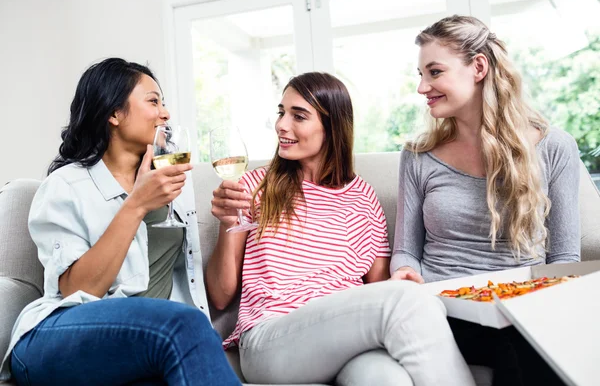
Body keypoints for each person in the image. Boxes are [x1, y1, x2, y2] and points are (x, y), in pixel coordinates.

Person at [208, 72, 476, 386]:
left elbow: (377, 287)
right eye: (282, 112)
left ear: (332, 126)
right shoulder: (254, 187)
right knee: (407, 302)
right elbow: (221, 295)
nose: (282, 125)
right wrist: (229, 223)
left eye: (299, 116)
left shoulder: (364, 197)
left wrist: (397, 279)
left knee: (387, 379)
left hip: (347, 339)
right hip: (272, 338)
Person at [0, 58, 241, 386]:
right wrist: (136, 205)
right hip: (57, 335)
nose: (166, 113)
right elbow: (77, 290)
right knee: (184, 324)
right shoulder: (66, 185)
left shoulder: (173, 186)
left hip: (142, 345)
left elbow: (214, 294)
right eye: (153, 101)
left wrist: (229, 223)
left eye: (164, 103)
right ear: (114, 114)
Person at [391, 15, 580, 386]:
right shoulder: (417, 156)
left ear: (478, 67)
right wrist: (403, 271)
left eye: (434, 72)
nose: (422, 87)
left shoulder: (555, 147)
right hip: (443, 310)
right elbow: (406, 250)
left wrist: (546, 306)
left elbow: (564, 258)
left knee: (528, 345)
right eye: (420, 74)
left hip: (523, 307)